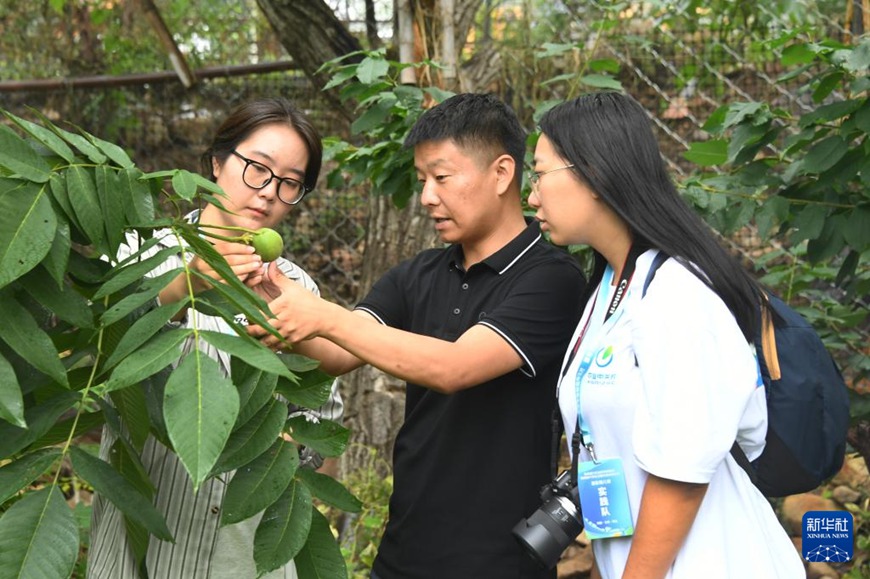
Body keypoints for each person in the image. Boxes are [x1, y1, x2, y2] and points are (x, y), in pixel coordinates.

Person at [246, 93, 587, 579]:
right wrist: (272, 293)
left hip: (499, 562)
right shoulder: (418, 274)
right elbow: (336, 355)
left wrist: (321, 314)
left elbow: (454, 367)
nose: (427, 196)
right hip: (403, 552)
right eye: (422, 179)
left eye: (441, 177)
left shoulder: (551, 277)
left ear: (502, 173)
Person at [527, 91, 805, 578]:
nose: (531, 197)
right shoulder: (612, 289)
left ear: (592, 173)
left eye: (539, 174)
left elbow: (682, 475)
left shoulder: (678, 293)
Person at [87, 97, 343, 579]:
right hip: (144, 541)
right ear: (217, 162)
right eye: (257, 169)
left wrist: (280, 451)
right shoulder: (143, 253)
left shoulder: (294, 287)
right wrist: (187, 282)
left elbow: (324, 417)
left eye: (291, 183)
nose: (269, 192)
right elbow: (99, 344)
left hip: (241, 555)